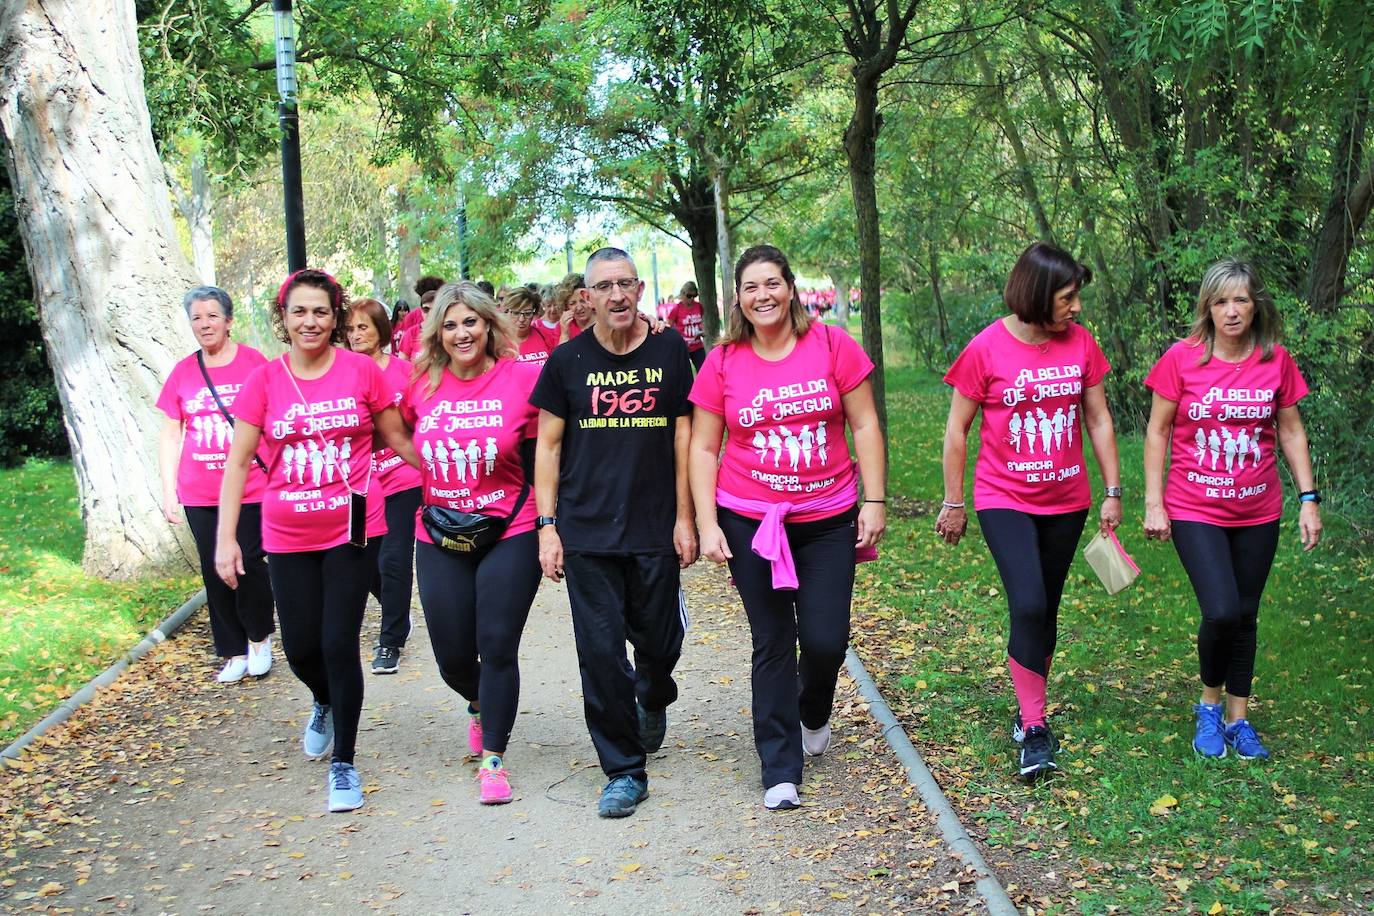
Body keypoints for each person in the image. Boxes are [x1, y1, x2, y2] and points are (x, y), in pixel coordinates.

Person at [687, 246, 886, 810]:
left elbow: (865, 422)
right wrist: (707, 522)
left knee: (825, 640)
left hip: (827, 520)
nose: (763, 296)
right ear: (738, 299)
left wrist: (873, 499)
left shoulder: (831, 344)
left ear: (791, 288)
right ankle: (779, 767)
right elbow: (703, 447)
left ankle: (813, 709)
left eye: (772, 283)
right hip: (751, 520)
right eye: (751, 287)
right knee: (772, 641)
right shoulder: (724, 360)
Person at [215, 268, 420, 814]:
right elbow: (238, 463)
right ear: (283, 319)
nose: (311, 321)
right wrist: (226, 540)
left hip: (354, 528)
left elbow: (397, 435)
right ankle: (323, 699)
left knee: (337, 643)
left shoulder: (360, 372)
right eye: (299, 311)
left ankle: (345, 763)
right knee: (302, 646)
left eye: (321, 312)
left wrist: (448, 479)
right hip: (285, 533)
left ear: (336, 318)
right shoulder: (264, 381)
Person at [936, 241, 1122, 780]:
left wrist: (1113, 490)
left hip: (1068, 499)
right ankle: (1034, 725)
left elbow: (1099, 418)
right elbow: (957, 430)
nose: (1077, 307)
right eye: (1068, 297)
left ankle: (1029, 705)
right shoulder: (987, 348)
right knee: (1030, 603)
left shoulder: (1081, 343)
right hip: (1004, 498)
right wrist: (955, 502)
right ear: (1039, 295)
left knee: (1048, 608)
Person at [531, 247, 697, 818]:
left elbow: (683, 438)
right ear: (588, 298)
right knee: (600, 653)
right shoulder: (567, 362)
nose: (618, 295)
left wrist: (685, 517)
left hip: (654, 527)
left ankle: (655, 690)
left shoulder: (671, 351)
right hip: (587, 532)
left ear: (641, 291)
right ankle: (624, 770)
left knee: (658, 644)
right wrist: (547, 526)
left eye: (627, 284)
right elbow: (548, 446)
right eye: (605, 287)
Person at [1143, 258, 1321, 760]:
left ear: (1255, 304)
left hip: (1258, 510)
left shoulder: (1275, 360)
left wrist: (1308, 499)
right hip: (1194, 505)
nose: (1231, 310)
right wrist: (1154, 502)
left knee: (1245, 614)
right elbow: (1157, 431)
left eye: (1240, 299)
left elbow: (1290, 430)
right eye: (1220, 301)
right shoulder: (1182, 359)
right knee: (1220, 609)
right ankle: (1208, 706)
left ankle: (1238, 719)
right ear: (1207, 308)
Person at [403, 282, 543, 805]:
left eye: (471, 322)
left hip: (510, 527)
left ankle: (494, 761)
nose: (461, 333)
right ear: (437, 332)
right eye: (451, 324)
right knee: (452, 657)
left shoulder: (524, 379)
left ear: (488, 326)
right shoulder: (420, 384)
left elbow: (550, 448)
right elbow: (396, 433)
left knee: (498, 645)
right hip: (437, 530)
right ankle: (479, 703)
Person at [157, 285, 275, 684]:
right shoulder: (183, 372)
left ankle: (259, 637)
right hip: (200, 490)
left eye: (212, 316)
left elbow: (275, 421)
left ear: (228, 320)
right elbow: (171, 433)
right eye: (196, 317)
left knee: (248, 564)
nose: (204, 324)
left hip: (251, 487)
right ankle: (232, 650)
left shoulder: (254, 364)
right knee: (214, 569)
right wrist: (168, 487)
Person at [346, 298, 423, 675]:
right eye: (351, 328)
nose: (356, 334)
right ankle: (399, 612)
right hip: (359, 485)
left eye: (363, 326)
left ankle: (390, 640)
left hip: (402, 479)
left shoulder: (405, 372)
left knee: (393, 558)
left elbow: (418, 421)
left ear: (381, 330)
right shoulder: (342, 373)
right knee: (368, 559)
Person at [503, 286, 559, 366]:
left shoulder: (545, 336)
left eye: (528, 313)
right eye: (516, 313)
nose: (522, 319)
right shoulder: (498, 342)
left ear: (534, 314)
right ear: (507, 312)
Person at [664, 280, 706, 370]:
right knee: (684, 372)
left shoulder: (699, 306)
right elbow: (668, 327)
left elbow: (700, 322)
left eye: (694, 296)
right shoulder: (676, 309)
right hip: (683, 347)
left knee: (703, 370)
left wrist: (702, 331)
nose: (691, 299)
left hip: (697, 346)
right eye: (689, 296)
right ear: (683, 294)